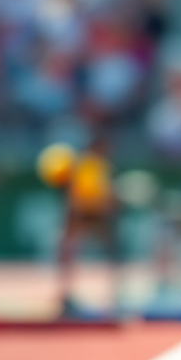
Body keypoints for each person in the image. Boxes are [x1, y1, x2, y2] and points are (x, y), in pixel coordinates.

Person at [58, 134, 119, 313]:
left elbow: (105, 190)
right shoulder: (84, 164)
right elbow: (77, 192)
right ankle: (66, 292)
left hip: (95, 214)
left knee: (110, 251)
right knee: (69, 251)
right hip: (84, 213)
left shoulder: (102, 165)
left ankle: (111, 295)